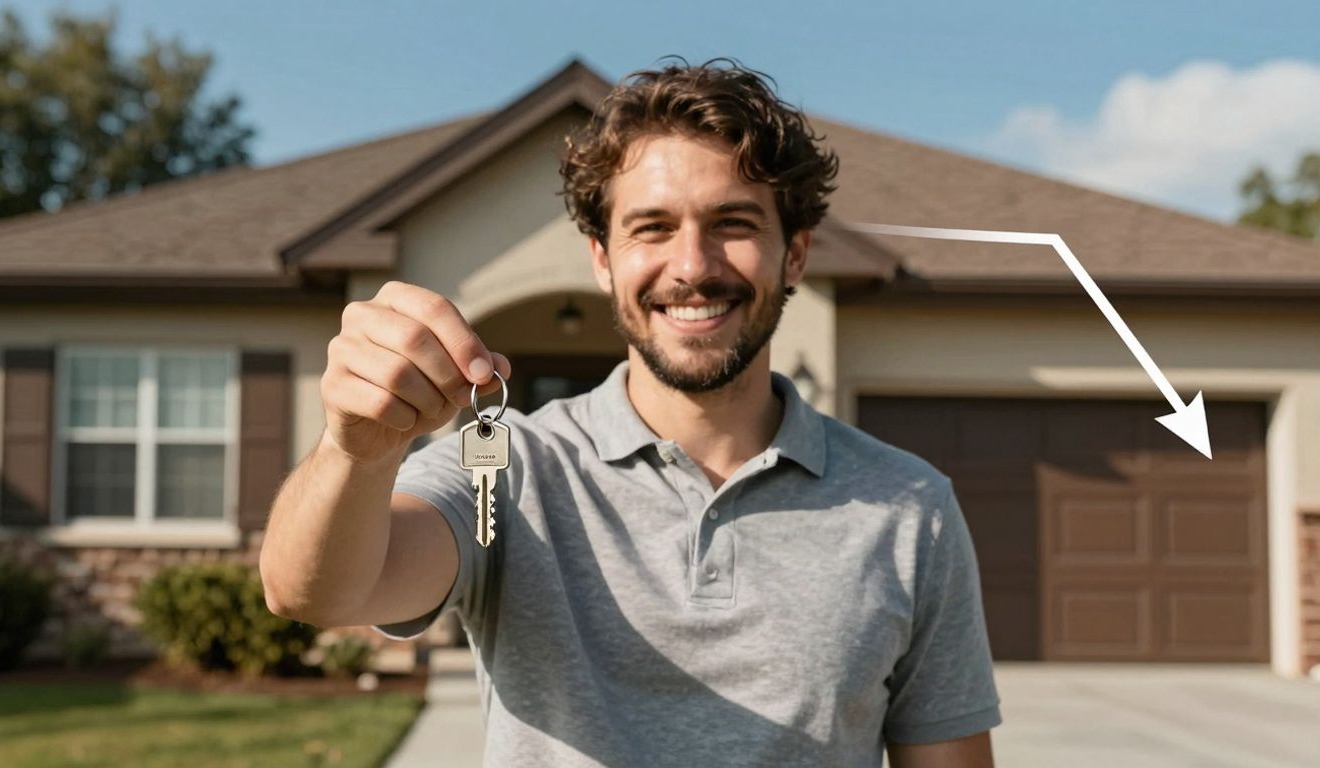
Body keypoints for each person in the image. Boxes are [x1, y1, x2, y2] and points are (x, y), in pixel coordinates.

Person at [260, 57, 1001, 768]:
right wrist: (356, 450)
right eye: (651, 227)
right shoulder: (512, 468)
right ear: (602, 259)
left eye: (734, 223)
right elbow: (314, 591)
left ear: (796, 254)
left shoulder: (912, 508)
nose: (692, 265)